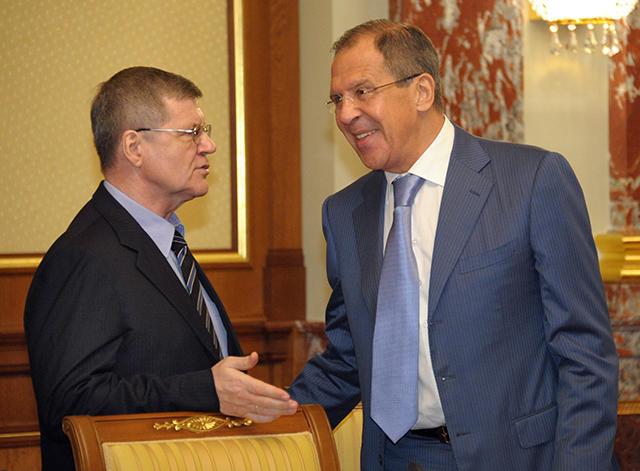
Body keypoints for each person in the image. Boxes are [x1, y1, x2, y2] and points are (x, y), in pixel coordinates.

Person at [287, 19, 619, 471]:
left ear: (422, 91)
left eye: (362, 92)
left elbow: (585, 354)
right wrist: (266, 414)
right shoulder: (344, 213)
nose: (345, 114)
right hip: (396, 458)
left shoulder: (531, 181)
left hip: (518, 459)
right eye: (337, 99)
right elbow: (350, 358)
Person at [24, 66, 298, 471]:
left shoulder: (167, 244)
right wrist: (203, 390)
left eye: (205, 131)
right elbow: (69, 401)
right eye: (192, 133)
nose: (209, 145)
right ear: (134, 147)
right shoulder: (83, 257)